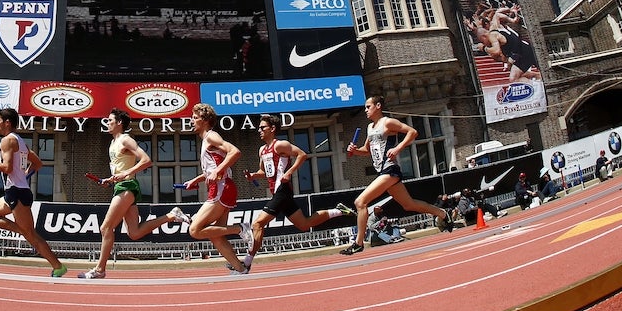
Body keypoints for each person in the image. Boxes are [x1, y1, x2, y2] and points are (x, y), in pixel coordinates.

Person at [238, 114, 354, 271]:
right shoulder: (262, 150)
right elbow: (264, 171)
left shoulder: (280, 145)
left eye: (262, 127)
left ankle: (247, 262)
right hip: (276, 192)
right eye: (258, 127)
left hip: (283, 191)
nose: (259, 130)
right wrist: (252, 175)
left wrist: (290, 172)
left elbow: (302, 155)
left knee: (257, 224)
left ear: (272, 129)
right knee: (304, 225)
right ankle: (338, 211)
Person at [79, 108, 184, 279]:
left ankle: (100, 269)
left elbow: (146, 160)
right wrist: (111, 179)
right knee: (134, 233)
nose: (107, 123)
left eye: (110, 120)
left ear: (119, 123)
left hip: (127, 186)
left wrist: (126, 173)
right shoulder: (113, 143)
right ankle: (171, 216)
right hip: (120, 185)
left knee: (105, 228)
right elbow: (120, 168)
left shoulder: (126, 140)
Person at [342, 95, 453, 255]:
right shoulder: (369, 128)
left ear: (378, 106)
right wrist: (354, 151)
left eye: (368, 106)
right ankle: (442, 213)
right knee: (409, 205)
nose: (365, 110)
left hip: (390, 170)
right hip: (382, 171)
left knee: (360, 202)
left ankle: (358, 243)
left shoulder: (387, 122)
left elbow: (412, 132)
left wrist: (398, 148)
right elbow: (367, 150)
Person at [0, 107, 67, 277]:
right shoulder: (21, 142)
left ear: (7, 122)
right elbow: (38, 164)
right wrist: (25, 176)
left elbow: (7, 168)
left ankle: (58, 266)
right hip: (13, 191)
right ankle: (22, 231)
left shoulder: (7, 141)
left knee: (31, 235)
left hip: (17, 193)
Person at [170, 103, 252, 274]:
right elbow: (211, 170)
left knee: (195, 230)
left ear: (205, 120)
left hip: (221, 188)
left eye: (195, 118)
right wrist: (196, 179)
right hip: (223, 187)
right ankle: (240, 268)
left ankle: (240, 229)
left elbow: (235, 152)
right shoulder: (206, 140)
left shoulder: (211, 136)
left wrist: (216, 170)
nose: (191, 121)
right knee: (216, 236)